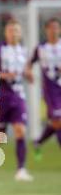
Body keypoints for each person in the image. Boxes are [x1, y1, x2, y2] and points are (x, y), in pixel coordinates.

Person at [0, 19, 33, 181]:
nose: (14, 33)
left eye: (16, 30)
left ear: (20, 33)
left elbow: (26, 70)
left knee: (20, 130)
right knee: (0, 137)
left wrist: (28, 75)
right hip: (2, 95)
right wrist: (4, 75)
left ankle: (21, 170)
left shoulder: (24, 51)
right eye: (11, 30)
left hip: (18, 95)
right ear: (5, 33)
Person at [27, 17, 61, 156]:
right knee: (58, 121)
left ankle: (39, 141)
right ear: (46, 30)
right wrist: (28, 71)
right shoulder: (41, 48)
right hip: (50, 91)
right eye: (51, 27)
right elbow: (29, 63)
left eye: (56, 27)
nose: (54, 30)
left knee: (55, 122)